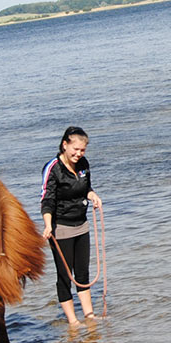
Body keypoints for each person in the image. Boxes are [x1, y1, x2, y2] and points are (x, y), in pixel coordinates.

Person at [41, 126, 103, 325]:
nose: (79, 154)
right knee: (65, 276)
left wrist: (92, 194)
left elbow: (85, 187)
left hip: (82, 225)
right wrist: (48, 225)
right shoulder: (53, 168)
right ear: (64, 145)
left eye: (82, 150)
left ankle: (90, 316)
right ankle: (73, 323)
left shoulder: (83, 164)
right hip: (61, 228)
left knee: (83, 273)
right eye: (75, 149)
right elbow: (47, 199)